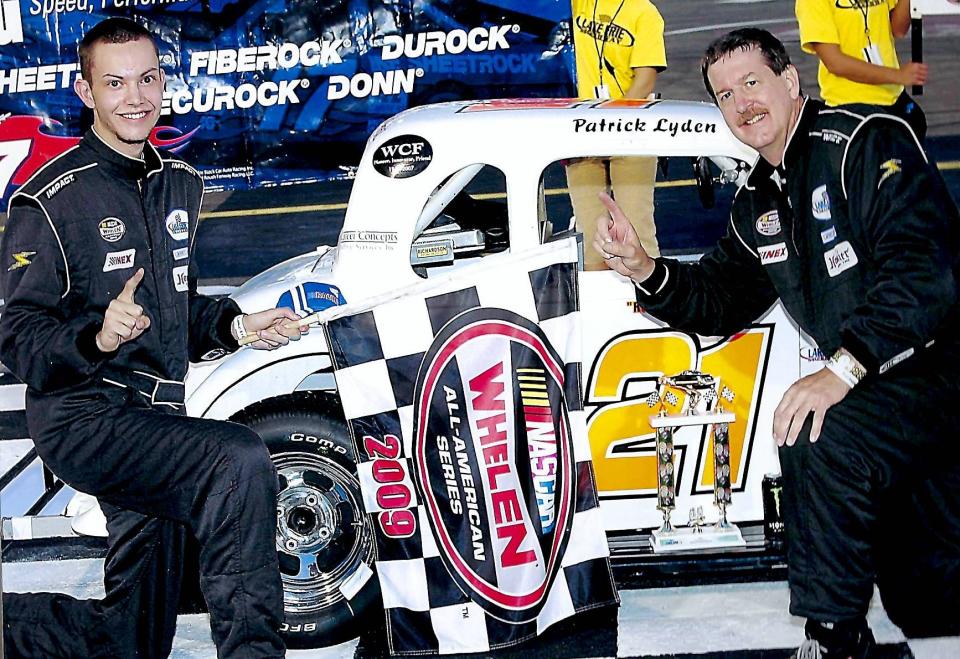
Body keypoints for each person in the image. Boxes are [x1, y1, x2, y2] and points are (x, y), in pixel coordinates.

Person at [596, 27, 960, 658]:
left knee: (816, 421)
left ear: (791, 82)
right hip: (883, 397)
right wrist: (644, 269)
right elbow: (717, 298)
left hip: (939, 372)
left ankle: (831, 635)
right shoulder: (757, 197)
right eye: (725, 95)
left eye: (753, 83)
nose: (742, 104)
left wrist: (841, 368)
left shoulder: (866, 143)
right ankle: (845, 623)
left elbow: (922, 275)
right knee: (928, 605)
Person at [0, 17, 304, 658]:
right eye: (115, 84)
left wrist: (239, 326)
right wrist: (97, 337)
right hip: (84, 417)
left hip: (159, 418)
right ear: (86, 94)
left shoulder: (180, 185)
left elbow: (178, 311)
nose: (134, 97)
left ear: (164, 82)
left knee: (131, 641)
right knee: (237, 458)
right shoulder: (49, 202)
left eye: (147, 79)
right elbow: (17, 335)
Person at [567, 0, 666, 269]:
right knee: (590, 238)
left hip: (630, 132)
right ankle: (599, 307)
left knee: (637, 231)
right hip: (581, 132)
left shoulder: (643, 12)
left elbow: (645, 79)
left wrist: (611, 123)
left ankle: (651, 301)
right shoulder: (575, 4)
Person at [796, 0, 928, 138]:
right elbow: (835, 62)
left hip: (893, 98)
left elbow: (898, 29)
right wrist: (898, 75)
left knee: (916, 130)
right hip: (849, 106)